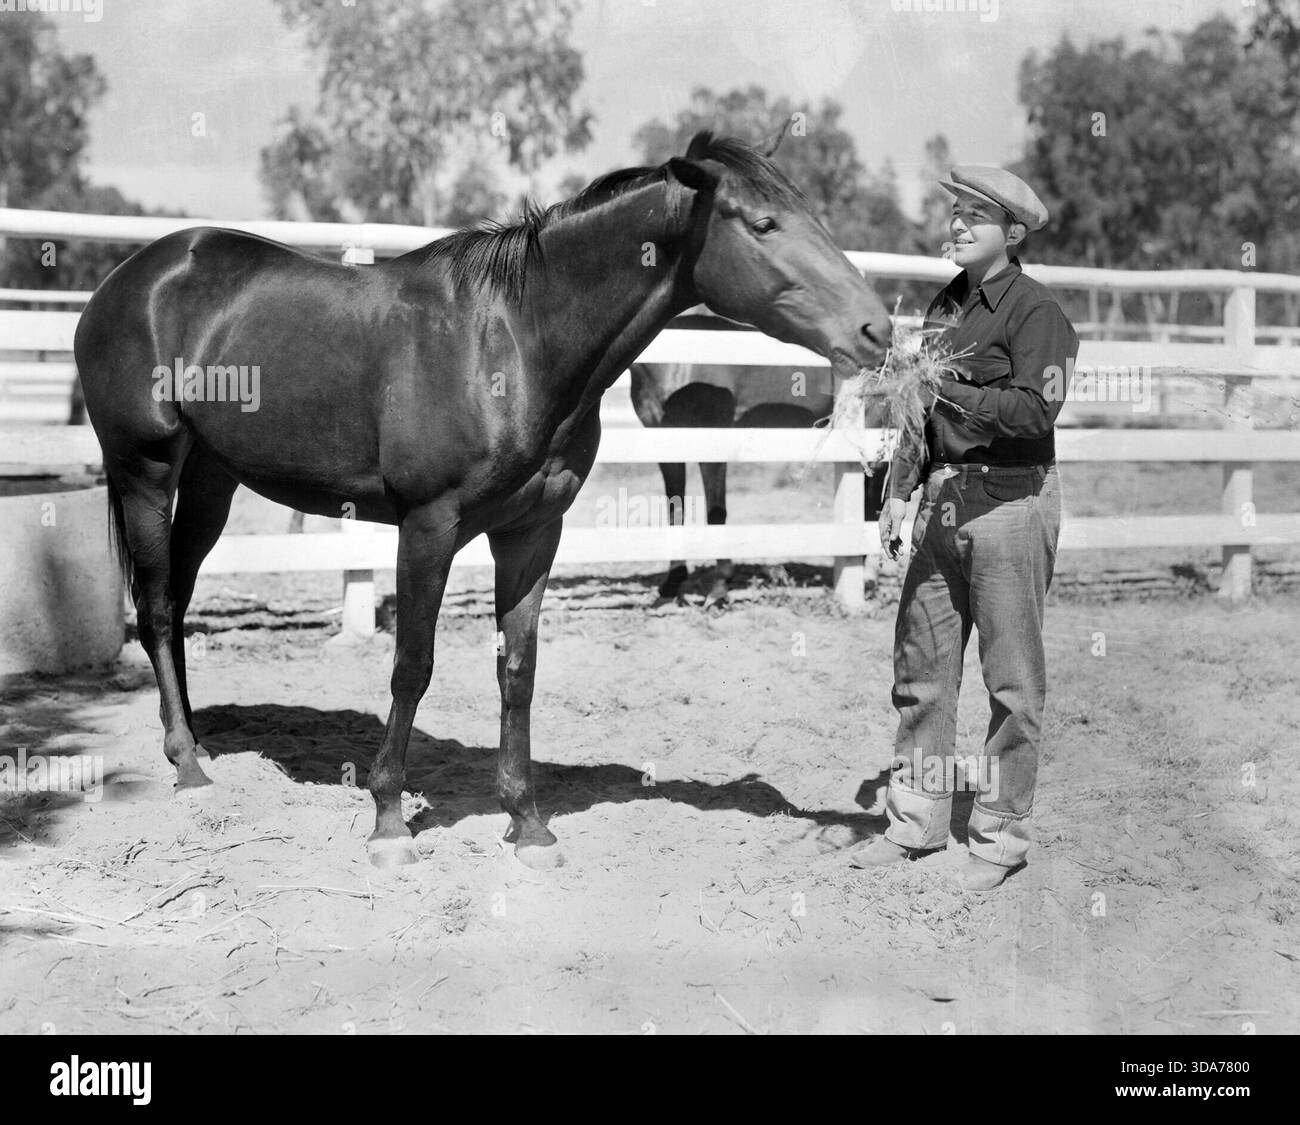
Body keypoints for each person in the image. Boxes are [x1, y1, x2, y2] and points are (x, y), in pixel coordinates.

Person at [851, 165, 1079, 892]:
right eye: (954, 212)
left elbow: (1033, 413)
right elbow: (918, 412)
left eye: (974, 216)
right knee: (922, 670)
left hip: (1012, 500)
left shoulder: (1038, 314)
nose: (955, 224)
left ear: (1012, 233)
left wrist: (946, 384)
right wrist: (896, 494)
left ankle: (1000, 837)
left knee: (1012, 682)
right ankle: (915, 821)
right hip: (944, 500)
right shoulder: (945, 305)